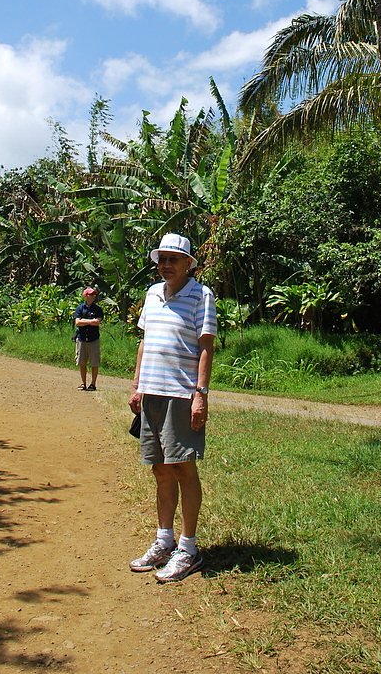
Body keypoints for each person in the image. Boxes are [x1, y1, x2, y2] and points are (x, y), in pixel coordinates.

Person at [128, 233, 216, 583]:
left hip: (181, 394)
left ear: (188, 264)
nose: (166, 265)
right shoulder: (152, 293)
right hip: (151, 392)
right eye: (162, 259)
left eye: (174, 259)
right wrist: (137, 386)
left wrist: (201, 394)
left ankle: (188, 548)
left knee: (183, 468)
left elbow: (206, 346)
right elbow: (145, 340)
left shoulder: (201, 295)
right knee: (160, 469)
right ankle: (164, 540)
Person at [73, 287, 103, 391]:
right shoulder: (80, 308)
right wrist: (91, 321)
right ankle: (83, 383)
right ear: (85, 296)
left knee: (94, 362)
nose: (92, 297)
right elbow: (77, 322)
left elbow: (97, 322)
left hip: (93, 339)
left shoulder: (98, 309)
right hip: (81, 339)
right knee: (81, 362)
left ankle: (93, 384)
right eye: (90, 295)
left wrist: (84, 321)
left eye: (94, 295)